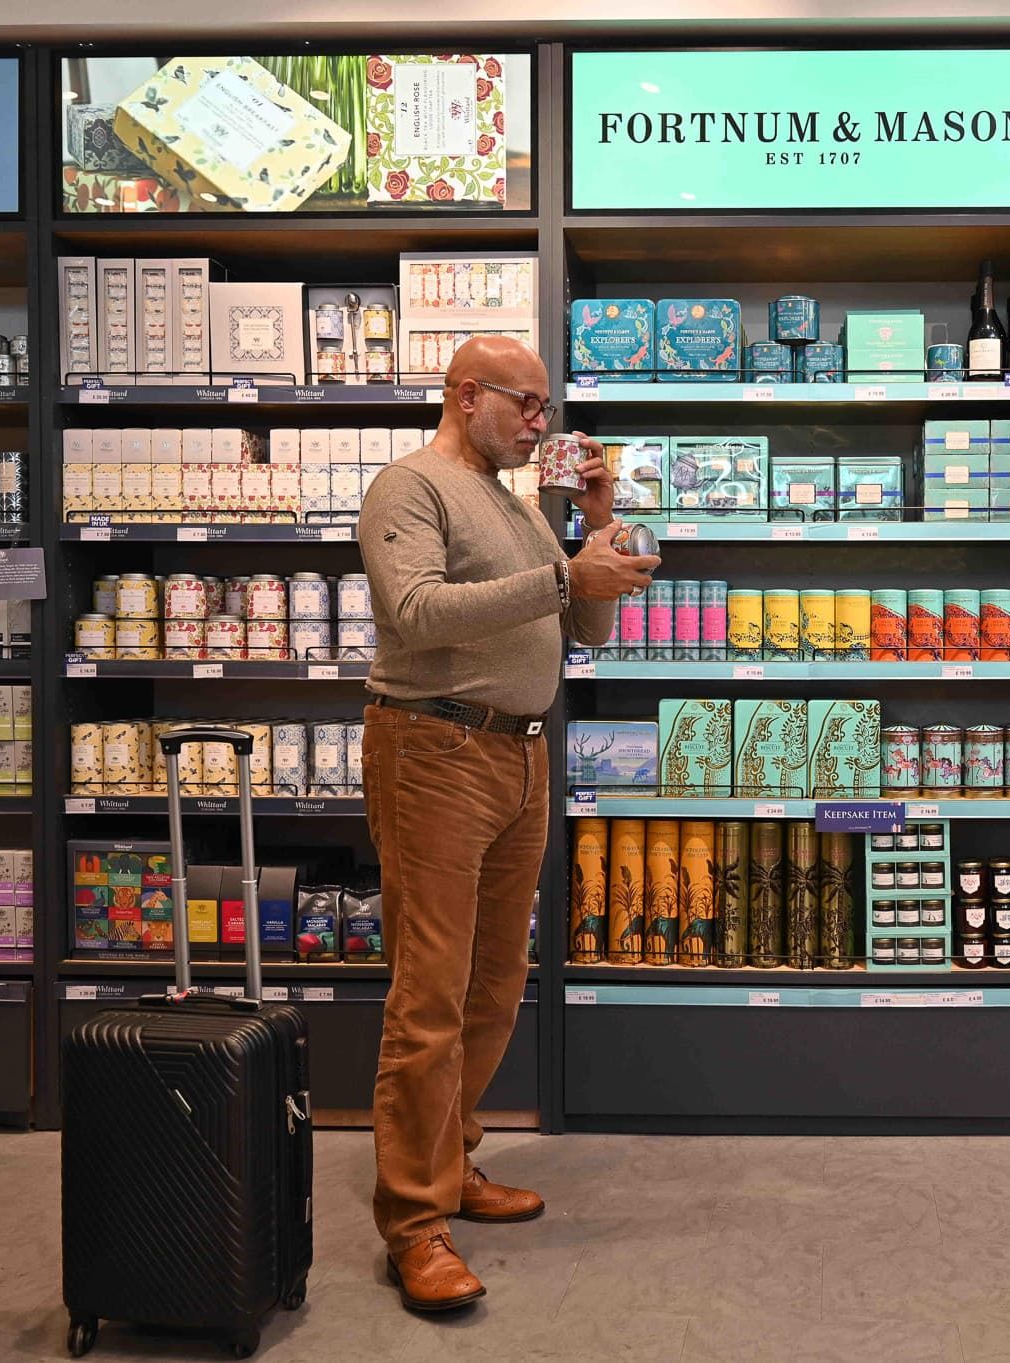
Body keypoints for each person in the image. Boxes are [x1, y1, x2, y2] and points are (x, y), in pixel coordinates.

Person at [357, 335, 657, 1313]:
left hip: (521, 756)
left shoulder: (523, 507)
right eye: (526, 406)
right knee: (430, 986)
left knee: (493, 982)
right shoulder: (410, 488)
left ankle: (450, 1158)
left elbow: (583, 629)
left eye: (544, 409)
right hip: (434, 751)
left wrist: (597, 534)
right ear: (465, 395)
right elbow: (414, 613)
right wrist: (564, 576)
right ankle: (412, 1221)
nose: (541, 424)